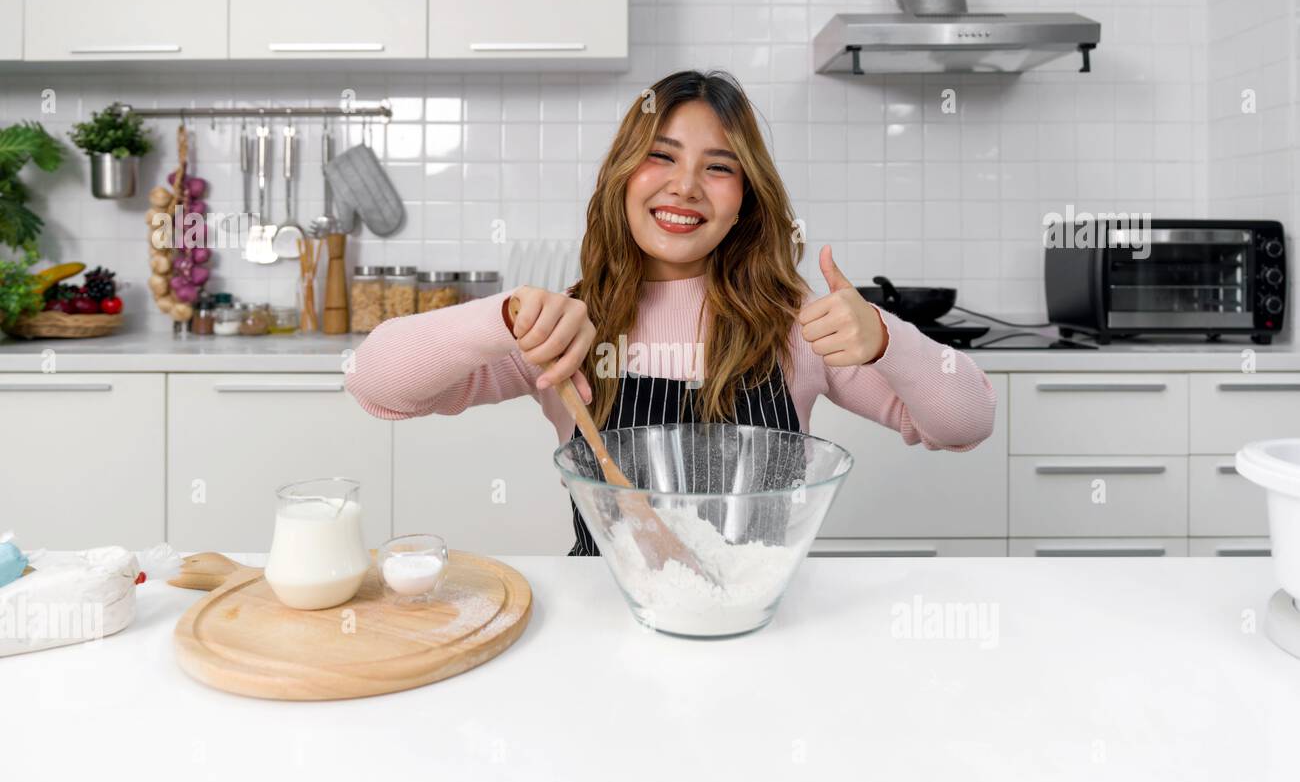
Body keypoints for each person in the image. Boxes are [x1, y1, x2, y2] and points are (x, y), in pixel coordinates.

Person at [345, 69, 997, 555]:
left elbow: (966, 422)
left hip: (752, 614)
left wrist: (887, 339)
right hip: (603, 619)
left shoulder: (795, 324)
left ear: (744, 201)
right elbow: (374, 384)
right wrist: (502, 319)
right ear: (623, 175)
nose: (684, 185)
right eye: (661, 157)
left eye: (718, 168)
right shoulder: (568, 327)